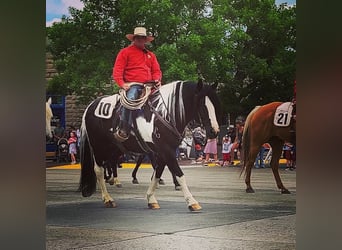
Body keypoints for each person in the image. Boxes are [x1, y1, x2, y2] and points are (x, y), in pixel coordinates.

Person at [112, 26, 162, 141]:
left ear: (145, 40)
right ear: (134, 39)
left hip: (150, 85)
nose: (140, 39)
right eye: (138, 37)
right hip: (133, 84)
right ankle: (124, 128)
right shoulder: (125, 52)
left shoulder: (151, 55)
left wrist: (157, 80)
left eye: (142, 38)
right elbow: (117, 70)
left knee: (163, 101)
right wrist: (122, 84)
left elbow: (156, 71)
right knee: (130, 99)